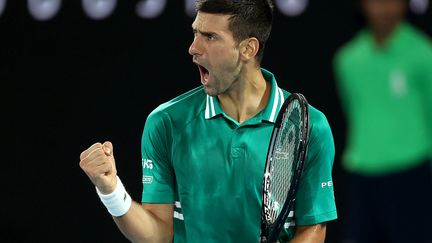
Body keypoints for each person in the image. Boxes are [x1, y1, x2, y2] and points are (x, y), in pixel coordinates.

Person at [79, 0, 337, 242]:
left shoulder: (309, 126)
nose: (193, 48)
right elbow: (157, 234)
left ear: (248, 48)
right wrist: (111, 190)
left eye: (210, 37)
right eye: (195, 33)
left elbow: (313, 227)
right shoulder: (166, 122)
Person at [333, 0, 432, 242]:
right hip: (362, 174)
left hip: (412, 172)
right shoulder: (348, 60)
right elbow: (352, 111)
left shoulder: (423, 53)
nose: (384, 8)